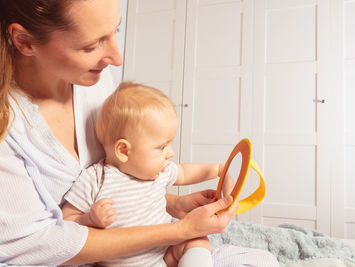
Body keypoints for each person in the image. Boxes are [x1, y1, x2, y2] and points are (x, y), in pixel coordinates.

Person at [0, 0, 238, 266]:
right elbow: (35, 246)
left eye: (117, 30)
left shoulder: (93, 84)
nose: (117, 58)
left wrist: (169, 204)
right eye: (92, 46)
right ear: (24, 41)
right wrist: (180, 230)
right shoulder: (8, 127)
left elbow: (114, 177)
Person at [62, 82, 235, 267]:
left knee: (197, 240)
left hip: (163, 257)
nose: (171, 153)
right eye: (162, 147)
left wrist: (217, 169)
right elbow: (66, 224)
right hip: (120, 264)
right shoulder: (95, 180)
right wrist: (89, 220)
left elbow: (184, 172)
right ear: (124, 151)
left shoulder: (159, 172)